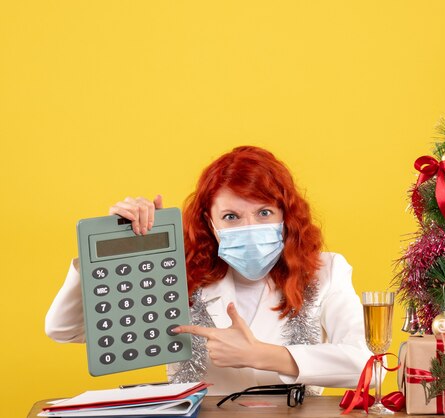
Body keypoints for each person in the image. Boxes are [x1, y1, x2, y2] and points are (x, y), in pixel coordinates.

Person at [45, 146, 372, 396]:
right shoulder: (175, 272)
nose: (249, 227)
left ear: (286, 216)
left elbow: (368, 366)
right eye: (231, 216)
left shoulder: (326, 271)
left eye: (264, 212)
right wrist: (114, 246)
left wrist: (263, 355)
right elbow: (65, 329)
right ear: (209, 223)